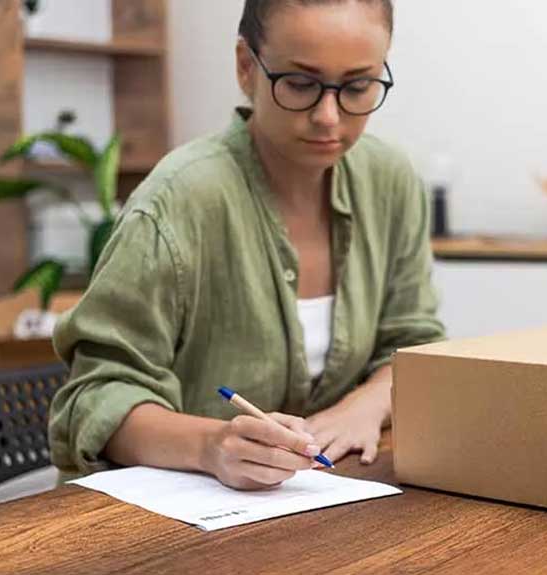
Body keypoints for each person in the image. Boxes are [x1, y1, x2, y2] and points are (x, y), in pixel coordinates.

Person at [49, 0, 444, 490]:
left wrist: (363, 404)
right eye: (300, 84)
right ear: (245, 66)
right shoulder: (178, 200)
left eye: (357, 86)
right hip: (181, 521)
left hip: (332, 499)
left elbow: (415, 345)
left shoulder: (390, 181)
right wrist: (211, 446)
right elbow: (96, 396)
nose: (328, 116)